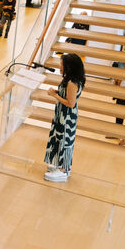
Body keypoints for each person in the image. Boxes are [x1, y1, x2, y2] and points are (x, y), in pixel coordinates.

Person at [44, 54, 86, 183]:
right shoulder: (69, 80)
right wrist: (57, 93)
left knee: (64, 140)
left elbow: (70, 103)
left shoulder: (72, 83)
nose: (60, 66)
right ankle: (58, 163)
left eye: (62, 64)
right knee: (58, 138)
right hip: (61, 115)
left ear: (69, 67)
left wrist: (54, 95)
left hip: (66, 117)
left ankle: (64, 170)